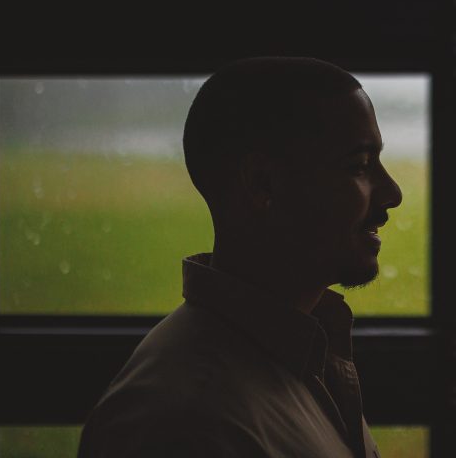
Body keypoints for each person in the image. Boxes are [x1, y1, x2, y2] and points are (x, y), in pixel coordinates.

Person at [78, 57, 402, 458]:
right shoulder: (180, 423)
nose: (393, 194)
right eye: (359, 166)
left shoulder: (301, 351)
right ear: (263, 183)